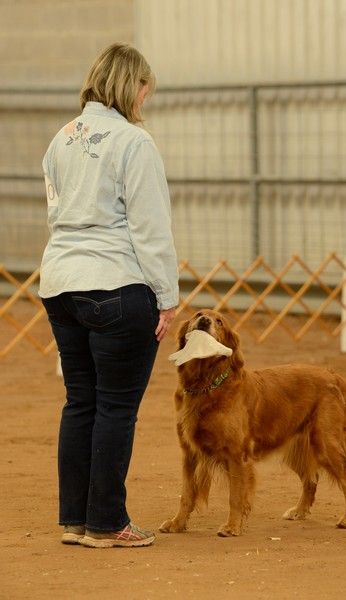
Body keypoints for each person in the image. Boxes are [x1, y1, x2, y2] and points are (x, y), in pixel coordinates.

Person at [39, 43, 179, 548]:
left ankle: (75, 521)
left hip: (60, 284)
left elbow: (55, 213)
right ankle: (107, 522)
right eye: (144, 88)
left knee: (80, 403)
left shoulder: (60, 139)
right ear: (130, 85)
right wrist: (167, 295)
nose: (146, 97)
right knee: (116, 408)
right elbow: (150, 225)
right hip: (116, 284)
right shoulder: (134, 141)